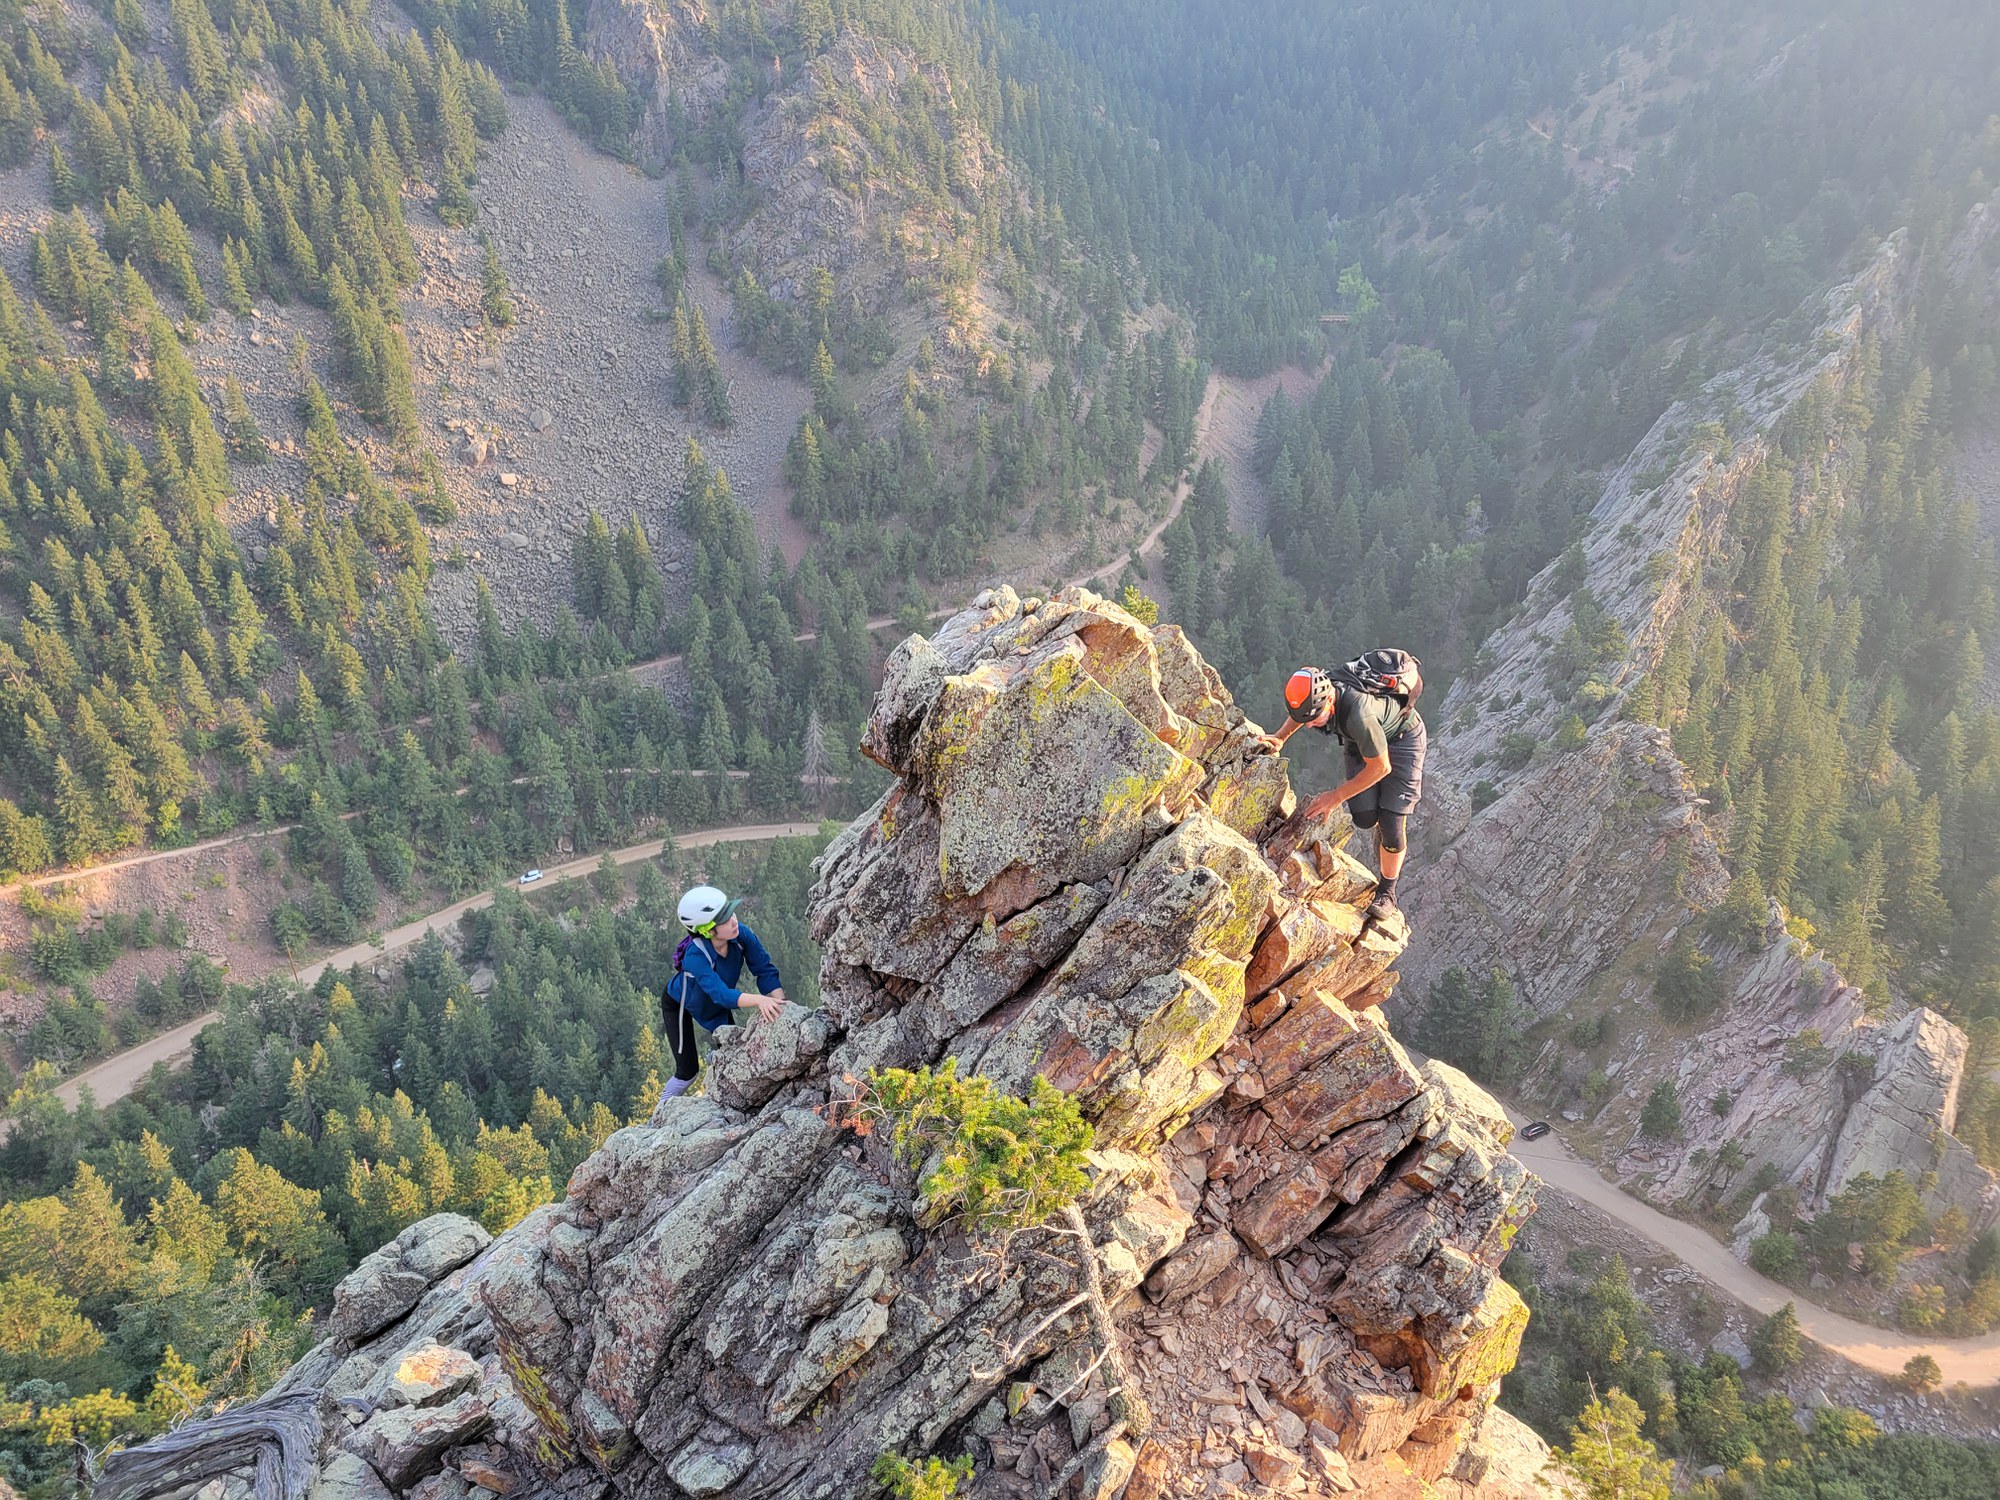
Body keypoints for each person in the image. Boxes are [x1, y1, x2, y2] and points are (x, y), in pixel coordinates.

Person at [1260, 650, 1426, 924]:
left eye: (1315, 718)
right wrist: (1280, 738)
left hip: (1403, 740)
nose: (1311, 724)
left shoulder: (1358, 714)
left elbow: (1382, 767)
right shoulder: (1321, 688)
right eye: (1308, 719)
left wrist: (1335, 797)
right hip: (1362, 741)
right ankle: (1378, 824)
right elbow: (1302, 712)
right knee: (1363, 818)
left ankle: (1388, 893)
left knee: (1391, 825)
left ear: (1329, 700)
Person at [658, 884, 787, 1100]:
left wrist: (780, 1004)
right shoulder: (695, 956)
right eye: (725, 919)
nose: (734, 920)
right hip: (679, 1003)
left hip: (714, 1005)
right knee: (687, 1072)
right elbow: (721, 995)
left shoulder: (740, 935)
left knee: (731, 1052)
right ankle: (660, 1114)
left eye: (731, 912)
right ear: (708, 930)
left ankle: (719, 1075)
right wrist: (760, 1001)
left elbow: (764, 969)